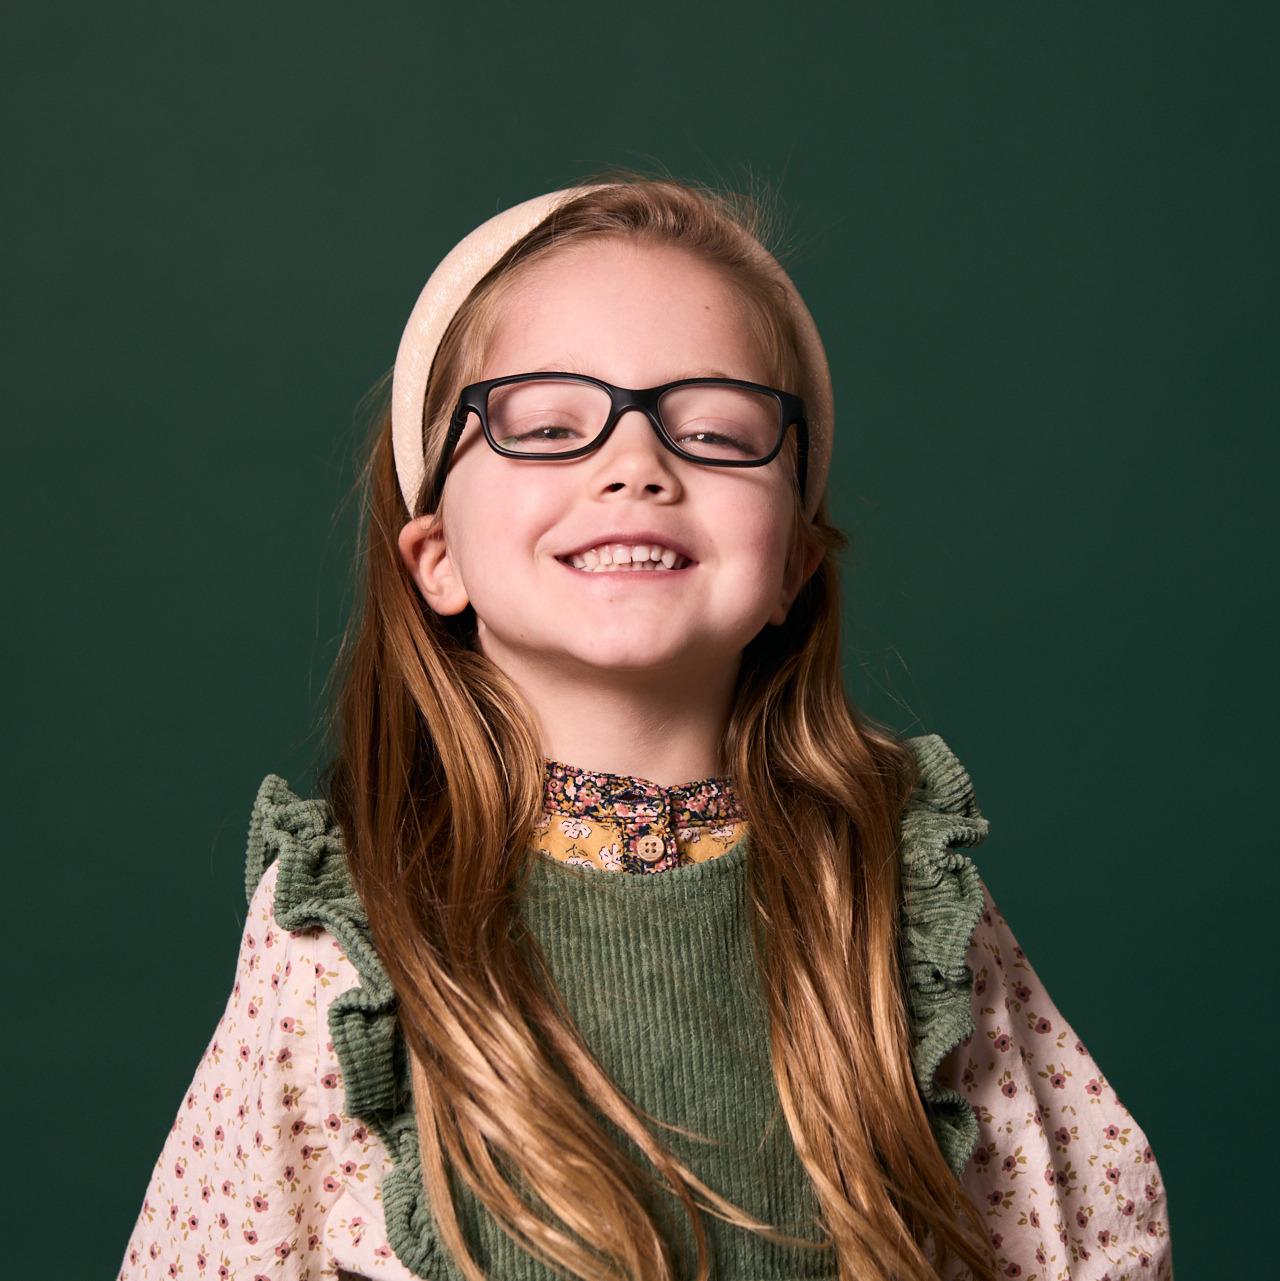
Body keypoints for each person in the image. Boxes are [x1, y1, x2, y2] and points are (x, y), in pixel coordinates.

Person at [119, 179, 1171, 1281]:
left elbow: (1090, 1241)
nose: (633, 464)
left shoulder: (901, 898)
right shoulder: (344, 941)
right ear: (435, 556)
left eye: (713, 430)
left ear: (792, 566)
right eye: (546, 425)